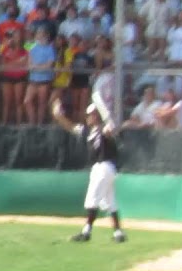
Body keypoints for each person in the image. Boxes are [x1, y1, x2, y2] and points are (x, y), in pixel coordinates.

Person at [50, 98, 127, 243]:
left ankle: (86, 232)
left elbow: (110, 131)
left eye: (91, 115)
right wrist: (59, 116)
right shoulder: (87, 131)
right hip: (103, 168)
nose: (89, 118)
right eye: (88, 115)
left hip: (103, 166)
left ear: (97, 116)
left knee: (92, 200)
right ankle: (118, 232)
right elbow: (70, 127)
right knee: (109, 201)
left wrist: (109, 128)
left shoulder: (103, 129)